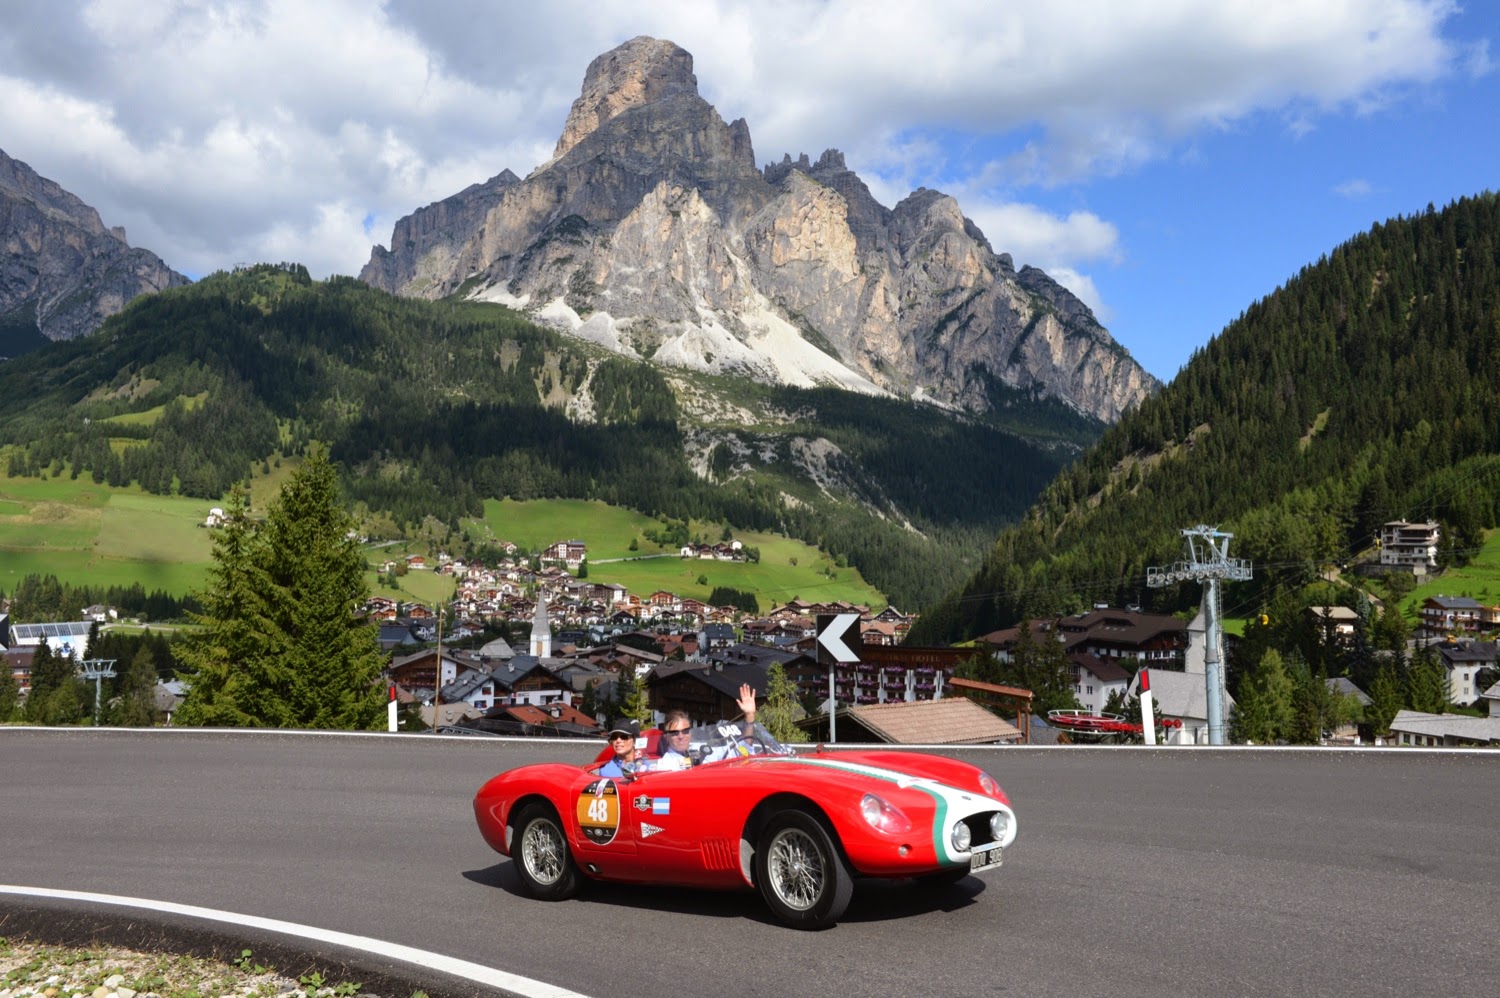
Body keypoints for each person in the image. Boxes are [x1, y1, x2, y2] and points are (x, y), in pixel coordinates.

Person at [653, 684, 758, 771]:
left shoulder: (701, 750)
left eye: (685, 731)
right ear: (666, 737)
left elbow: (741, 750)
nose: (681, 736)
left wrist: (749, 716)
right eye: (675, 733)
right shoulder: (665, 765)